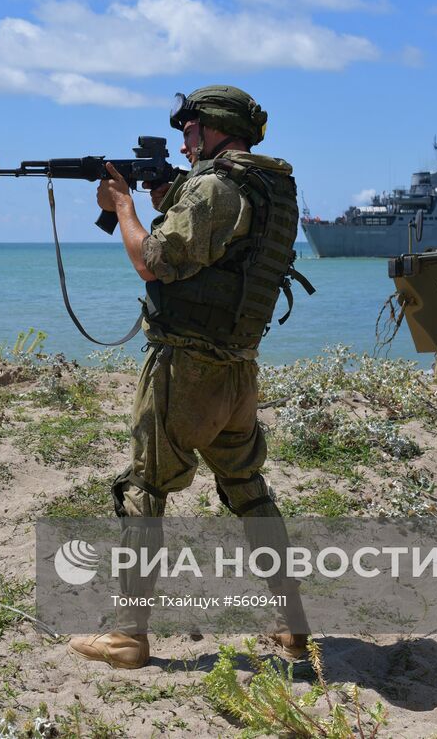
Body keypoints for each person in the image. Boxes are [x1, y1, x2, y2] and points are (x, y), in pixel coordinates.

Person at [68, 85, 311, 670]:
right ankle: (293, 624)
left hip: (186, 369)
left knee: (144, 490)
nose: (183, 140)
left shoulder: (212, 186)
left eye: (190, 130)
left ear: (212, 129)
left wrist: (124, 208)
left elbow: (152, 259)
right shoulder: (265, 186)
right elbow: (225, 251)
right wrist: (168, 193)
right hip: (237, 369)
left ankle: (128, 636)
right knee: (249, 491)